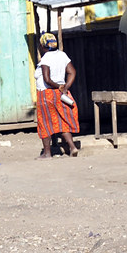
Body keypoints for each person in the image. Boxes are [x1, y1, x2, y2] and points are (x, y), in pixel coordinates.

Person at [35, 31, 79, 159]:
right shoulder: (62, 55)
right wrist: (65, 87)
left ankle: (47, 153)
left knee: (45, 123)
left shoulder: (46, 58)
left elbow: (47, 79)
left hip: (46, 94)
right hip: (60, 94)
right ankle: (72, 147)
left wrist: (58, 86)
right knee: (62, 121)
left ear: (43, 46)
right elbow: (72, 72)